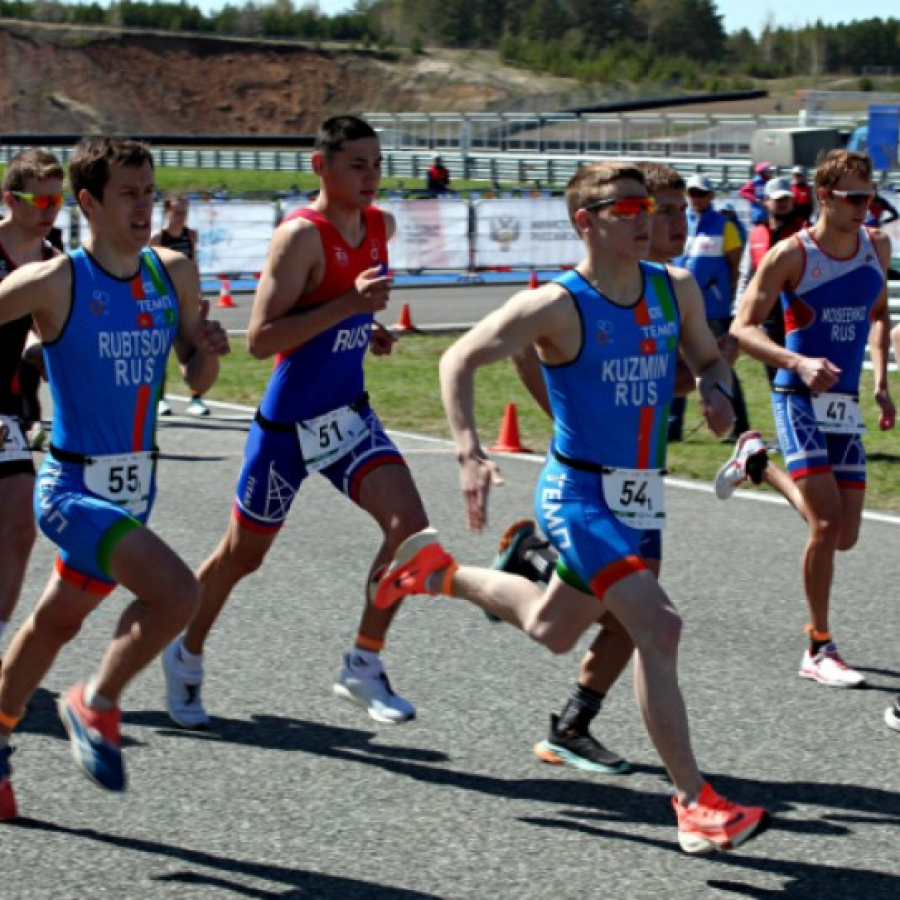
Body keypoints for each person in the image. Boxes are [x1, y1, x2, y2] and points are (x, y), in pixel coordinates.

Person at [374, 162, 771, 855]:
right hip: (577, 495)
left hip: (641, 496)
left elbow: (711, 360)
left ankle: (436, 572)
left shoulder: (671, 288)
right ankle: (692, 803)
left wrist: (716, 395)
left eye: (648, 205)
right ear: (585, 221)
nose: (646, 217)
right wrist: (468, 452)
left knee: (552, 627)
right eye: (626, 208)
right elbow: (457, 360)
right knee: (660, 626)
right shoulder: (557, 304)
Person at [161, 115, 429, 730]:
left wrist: (367, 327)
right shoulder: (299, 236)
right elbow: (260, 340)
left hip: (348, 417)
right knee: (241, 556)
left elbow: (338, 314)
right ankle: (185, 652)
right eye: (356, 165)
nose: (370, 177)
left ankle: (363, 663)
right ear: (321, 166)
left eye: (377, 164)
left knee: (411, 529)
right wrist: (350, 307)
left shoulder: (379, 226)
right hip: (287, 428)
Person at [0, 136, 229, 820]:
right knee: (178, 593)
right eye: (127, 193)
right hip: (71, 490)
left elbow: (197, 373)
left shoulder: (172, 274)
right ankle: (94, 701)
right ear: (89, 202)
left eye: (148, 190)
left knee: (55, 622)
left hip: (134, 489)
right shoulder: (56, 279)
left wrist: (210, 354)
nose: (143, 205)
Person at [492, 162, 696, 775]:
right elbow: (523, 348)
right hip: (585, 483)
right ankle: (686, 789)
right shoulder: (575, 296)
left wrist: (709, 379)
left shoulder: (672, 287)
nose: (672, 224)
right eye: (661, 212)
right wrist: (566, 418)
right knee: (641, 614)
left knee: (620, 619)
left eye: (679, 212)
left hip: (638, 485)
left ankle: (574, 722)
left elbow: (675, 376)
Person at [715, 149, 896, 689]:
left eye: (871, 195)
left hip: (844, 400)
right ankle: (819, 646)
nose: (867, 206)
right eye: (855, 197)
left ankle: (759, 462)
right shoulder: (791, 255)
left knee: (846, 535)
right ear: (823, 196)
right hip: (796, 392)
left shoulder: (876, 246)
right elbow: (743, 328)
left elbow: (880, 315)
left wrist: (882, 382)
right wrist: (796, 361)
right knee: (825, 525)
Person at [0, 149, 65, 662]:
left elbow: (44, 326)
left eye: (56, 198)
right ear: (9, 199)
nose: (49, 208)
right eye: (39, 198)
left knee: (21, 521)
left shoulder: (54, 255)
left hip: (4, 405)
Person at [669, 174, 748, 442]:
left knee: (719, 364)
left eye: (701, 193)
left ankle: (738, 423)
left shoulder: (725, 225)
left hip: (713, 309)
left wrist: (726, 296)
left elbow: (736, 266)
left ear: (711, 196)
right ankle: (672, 426)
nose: (696, 198)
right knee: (674, 363)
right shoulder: (682, 223)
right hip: (680, 306)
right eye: (692, 193)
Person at [737, 176, 805, 389]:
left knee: (800, 377)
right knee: (776, 380)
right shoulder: (756, 234)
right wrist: (740, 311)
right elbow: (746, 275)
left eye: (786, 198)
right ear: (766, 200)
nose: (783, 203)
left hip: (799, 316)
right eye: (777, 199)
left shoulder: (804, 232)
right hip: (767, 317)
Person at [151, 192, 210, 417]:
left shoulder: (190, 236)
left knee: (194, 348)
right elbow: (150, 268)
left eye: (184, 212)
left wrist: (198, 292)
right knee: (161, 350)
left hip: (186, 301)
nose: (181, 217)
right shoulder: (158, 238)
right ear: (167, 212)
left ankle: (197, 398)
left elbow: (194, 266)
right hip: (163, 300)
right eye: (177, 212)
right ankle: (160, 398)